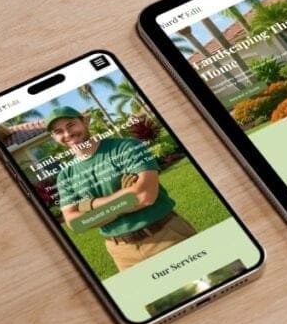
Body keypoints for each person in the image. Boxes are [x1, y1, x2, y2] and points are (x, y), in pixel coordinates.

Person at [45, 106, 197, 272]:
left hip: (165, 235)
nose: (67, 134)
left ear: (85, 122)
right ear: (54, 137)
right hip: (121, 253)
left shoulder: (126, 147)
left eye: (71, 125)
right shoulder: (65, 176)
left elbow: (145, 197)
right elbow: (75, 223)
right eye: (58, 131)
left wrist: (89, 205)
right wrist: (127, 199)